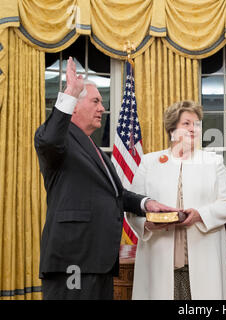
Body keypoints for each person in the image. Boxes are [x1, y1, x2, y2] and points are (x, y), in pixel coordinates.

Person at [34, 57, 175, 300]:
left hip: (98, 258)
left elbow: (115, 194)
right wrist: (70, 91)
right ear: (74, 106)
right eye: (96, 101)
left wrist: (146, 203)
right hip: (74, 258)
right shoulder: (59, 139)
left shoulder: (94, 147)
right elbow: (48, 140)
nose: (102, 108)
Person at [126, 100, 226, 300]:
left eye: (196, 124)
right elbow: (133, 207)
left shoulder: (213, 162)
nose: (193, 128)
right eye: (186, 123)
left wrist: (200, 215)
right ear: (172, 129)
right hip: (159, 257)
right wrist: (147, 225)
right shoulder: (149, 162)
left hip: (202, 255)